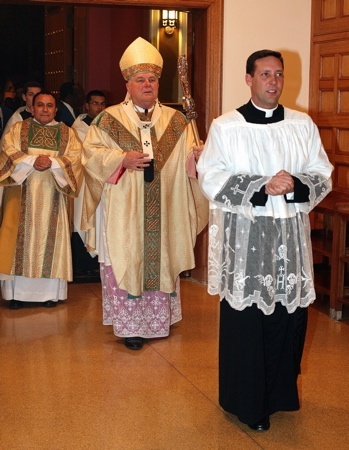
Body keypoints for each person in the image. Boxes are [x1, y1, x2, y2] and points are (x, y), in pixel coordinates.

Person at [197, 50, 333, 431]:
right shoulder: (226, 126)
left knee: (288, 318)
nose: (273, 82)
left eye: (278, 74)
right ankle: (247, 403)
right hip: (246, 243)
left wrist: (297, 183)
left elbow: (322, 169)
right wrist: (261, 186)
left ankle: (280, 395)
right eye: (265, 74)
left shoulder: (301, 124)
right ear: (249, 79)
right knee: (248, 321)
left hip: (290, 239)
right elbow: (211, 176)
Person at [82, 37, 207, 350]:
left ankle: (157, 322)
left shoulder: (176, 121)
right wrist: (121, 159)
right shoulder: (108, 119)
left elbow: (187, 161)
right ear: (128, 83)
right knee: (127, 256)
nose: (148, 84)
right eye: (141, 79)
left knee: (160, 256)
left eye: (152, 79)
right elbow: (90, 155)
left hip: (164, 209)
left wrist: (199, 157)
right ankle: (130, 328)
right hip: (124, 209)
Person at [0, 91, 82, 309]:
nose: (45, 109)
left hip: (53, 196)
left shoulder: (67, 133)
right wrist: (33, 161)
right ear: (32, 108)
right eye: (40, 105)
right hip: (21, 194)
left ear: (56, 109)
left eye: (49, 106)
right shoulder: (18, 129)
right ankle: (16, 295)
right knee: (18, 240)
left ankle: (49, 295)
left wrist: (52, 164)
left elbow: (75, 159)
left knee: (50, 241)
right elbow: (7, 151)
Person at [71, 90, 106, 280]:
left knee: (100, 220)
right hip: (84, 181)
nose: (99, 107)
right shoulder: (77, 129)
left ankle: (97, 263)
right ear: (86, 105)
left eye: (102, 103)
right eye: (95, 103)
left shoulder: (107, 124)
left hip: (102, 180)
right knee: (83, 220)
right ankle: (83, 265)